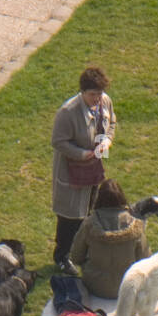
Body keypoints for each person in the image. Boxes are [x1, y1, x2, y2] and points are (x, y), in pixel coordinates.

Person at [51, 67, 116, 273]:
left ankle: (80, 251)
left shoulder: (105, 101)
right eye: (92, 94)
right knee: (70, 216)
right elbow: (58, 141)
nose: (97, 98)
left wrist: (107, 141)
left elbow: (111, 123)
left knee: (89, 211)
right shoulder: (68, 112)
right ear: (82, 92)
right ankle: (62, 255)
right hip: (72, 172)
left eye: (99, 93)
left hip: (94, 170)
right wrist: (81, 154)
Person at [70, 180, 150, 298]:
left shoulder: (89, 224)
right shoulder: (135, 227)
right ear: (122, 198)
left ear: (99, 198)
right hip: (127, 286)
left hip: (94, 285)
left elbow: (76, 256)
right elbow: (145, 259)